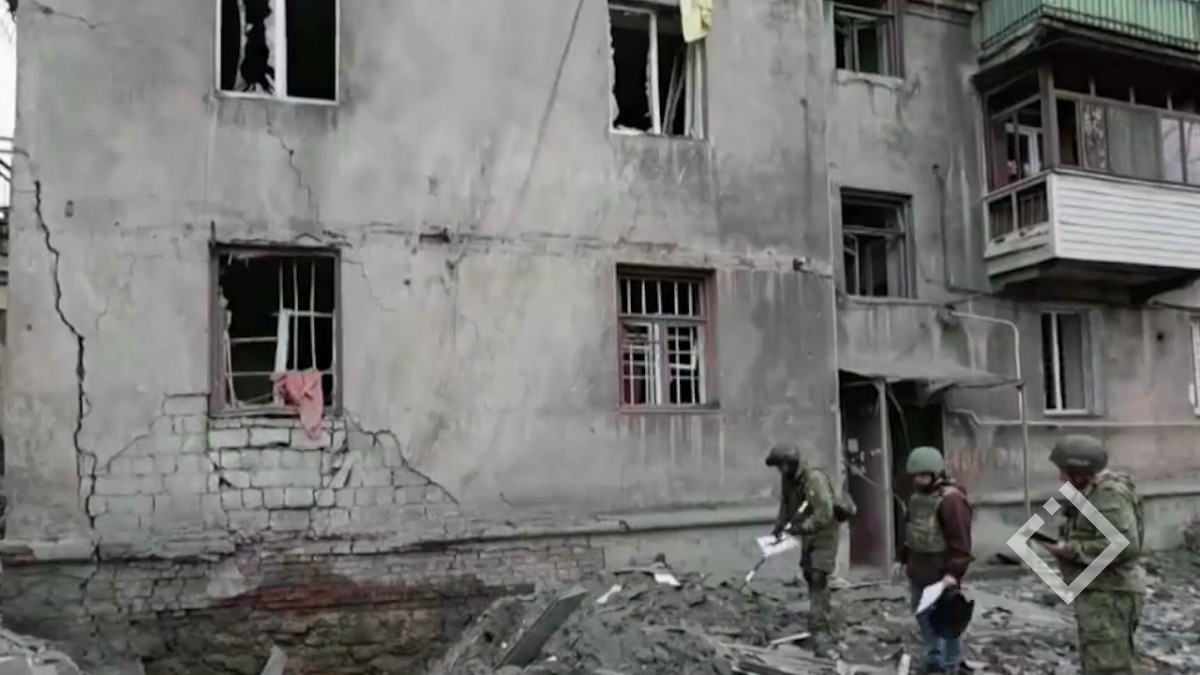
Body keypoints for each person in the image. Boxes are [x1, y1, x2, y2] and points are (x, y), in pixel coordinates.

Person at [1040, 435, 1144, 675]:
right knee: (1100, 662)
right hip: (1101, 591)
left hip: (1111, 593)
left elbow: (1124, 546)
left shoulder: (1108, 494)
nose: (1061, 478)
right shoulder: (1092, 492)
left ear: (1080, 472)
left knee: (1108, 667)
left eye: (1065, 472)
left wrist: (1069, 550)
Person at [893, 446, 974, 674]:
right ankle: (935, 657)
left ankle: (952, 663)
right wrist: (901, 558)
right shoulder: (917, 498)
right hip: (919, 568)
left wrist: (952, 573)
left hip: (941, 571)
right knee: (922, 614)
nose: (918, 480)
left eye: (923, 475)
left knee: (947, 619)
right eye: (916, 476)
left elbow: (961, 543)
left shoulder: (951, 501)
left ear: (935, 474)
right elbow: (910, 530)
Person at [765, 443, 840, 657]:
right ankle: (819, 615)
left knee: (818, 575)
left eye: (782, 466)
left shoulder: (813, 479)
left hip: (824, 533)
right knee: (808, 573)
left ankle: (821, 630)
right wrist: (779, 527)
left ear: (792, 463)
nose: (780, 471)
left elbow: (824, 514)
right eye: (778, 467)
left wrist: (800, 528)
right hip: (808, 534)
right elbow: (786, 505)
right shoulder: (788, 480)